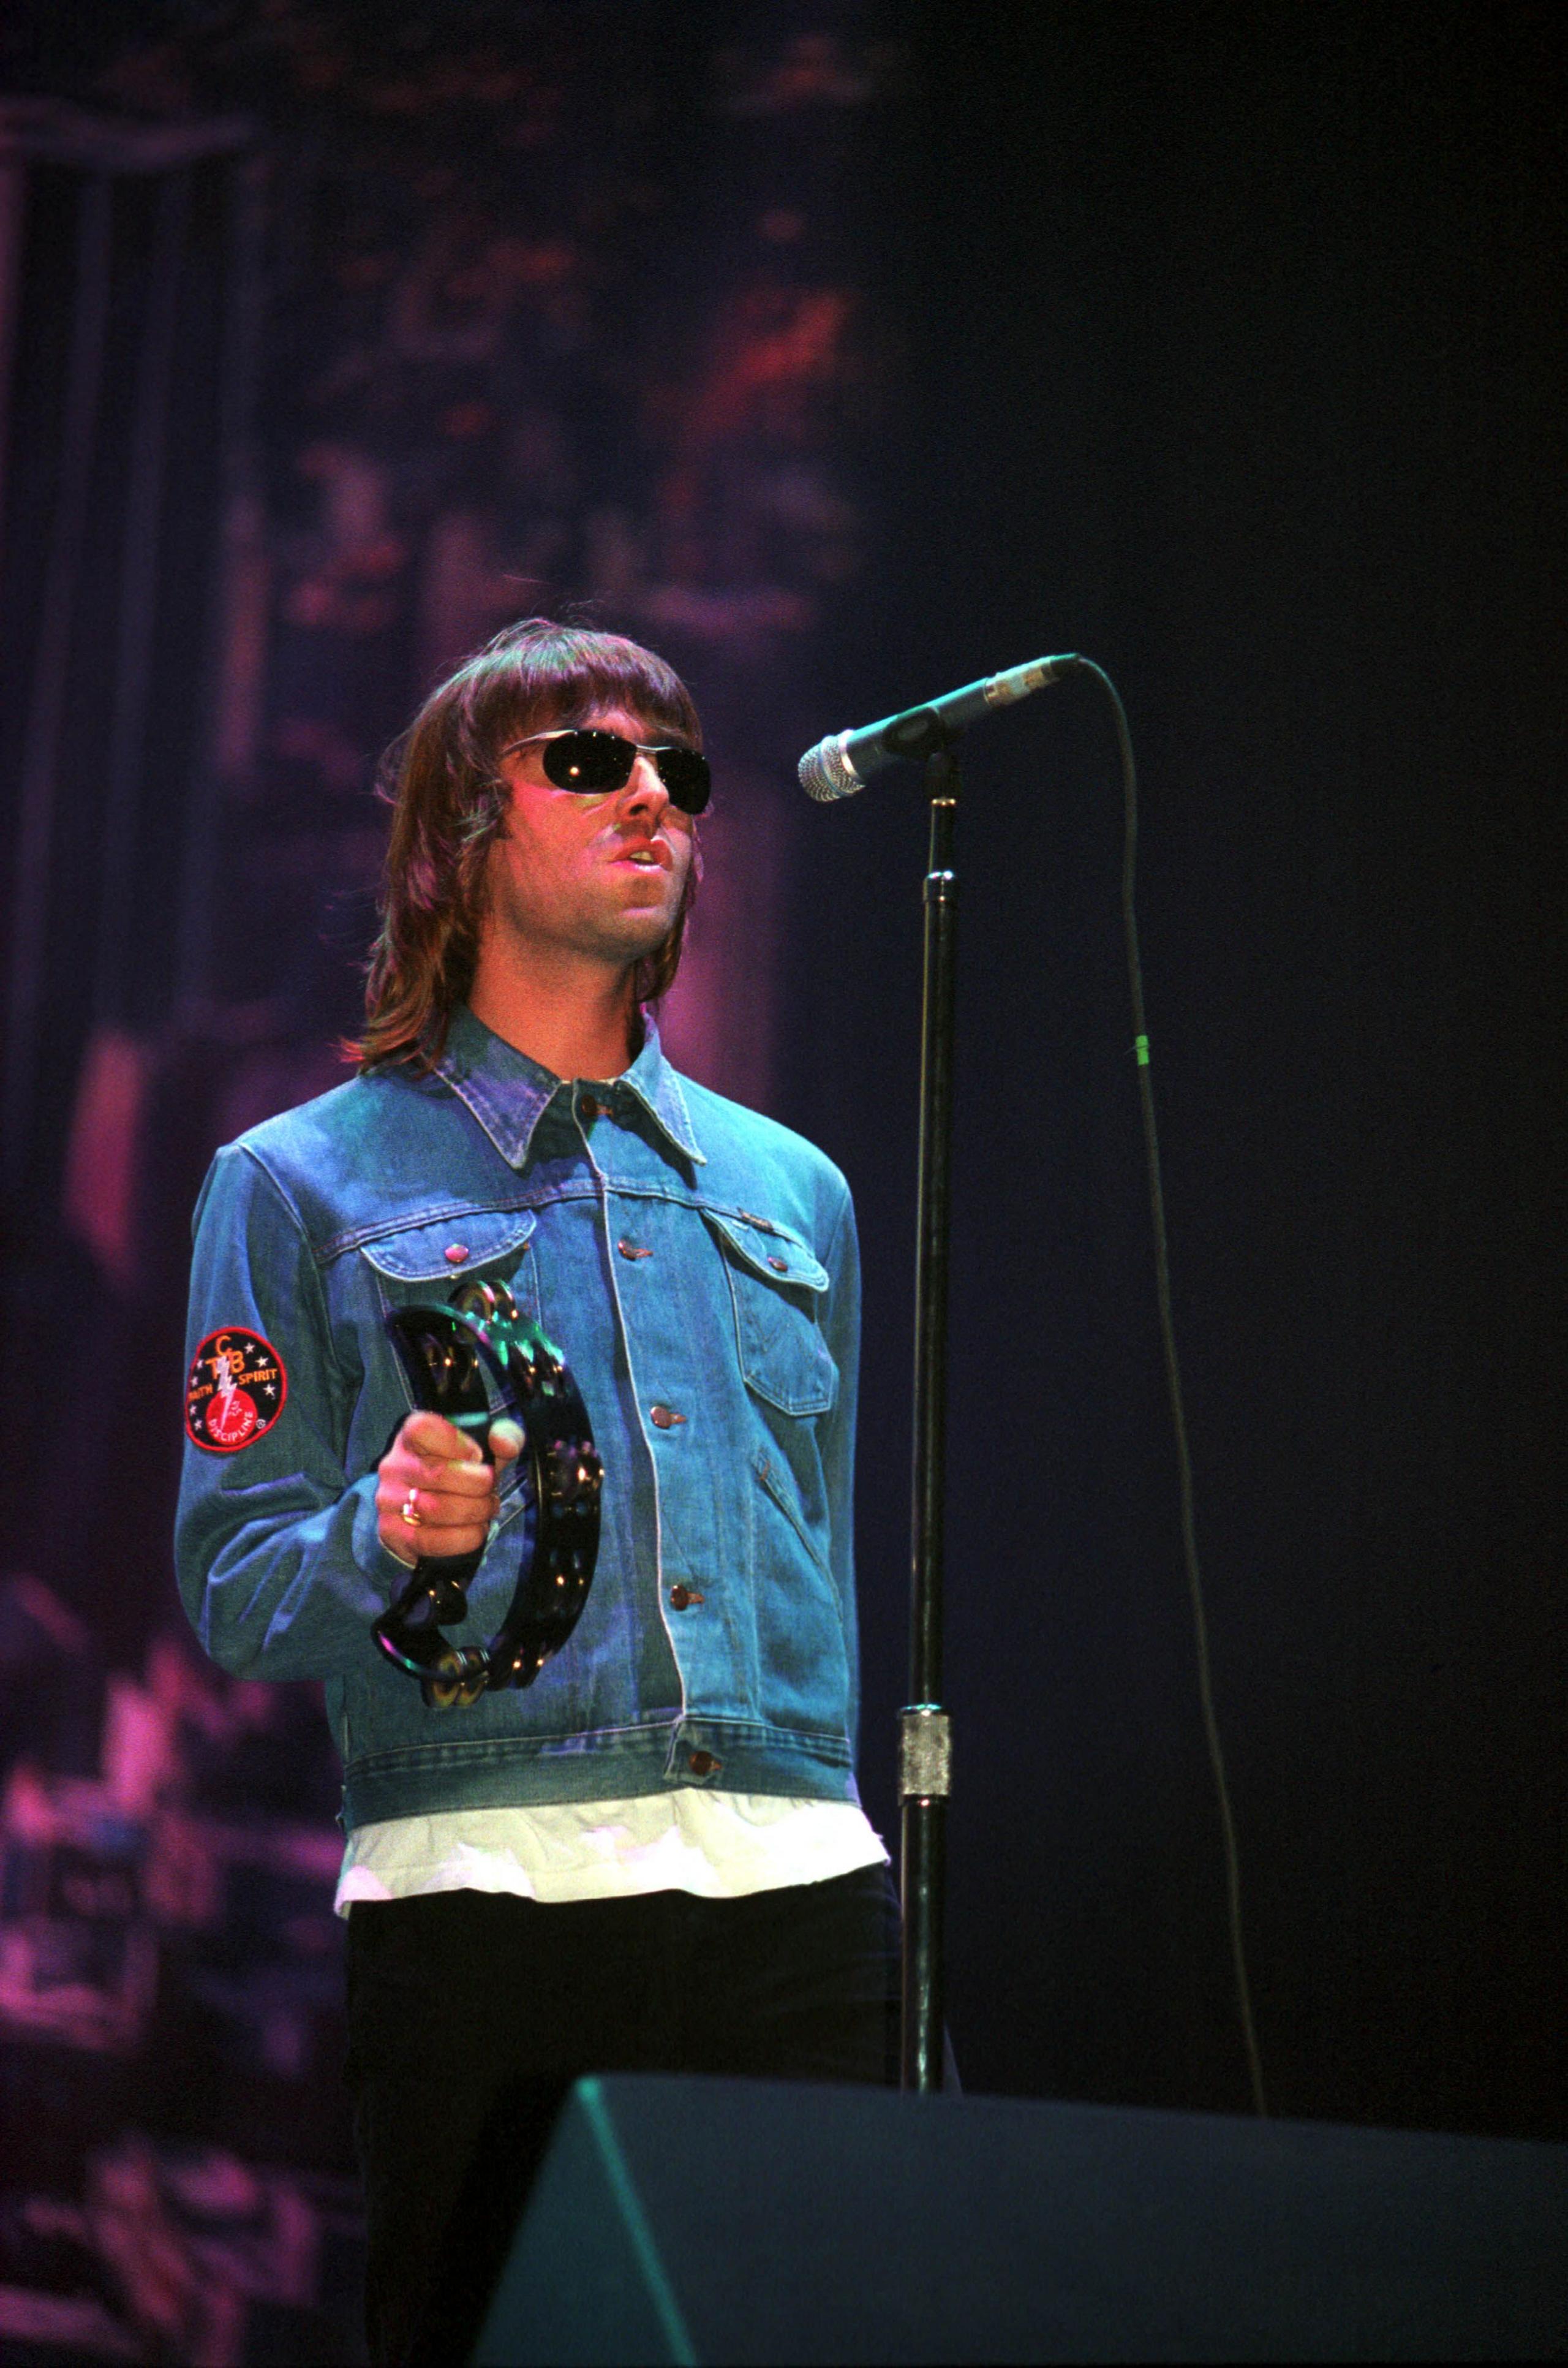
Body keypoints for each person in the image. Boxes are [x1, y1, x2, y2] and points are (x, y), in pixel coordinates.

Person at [175, 620, 897, 2364]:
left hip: (799, 1902)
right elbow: (228, 1579)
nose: (654, 795)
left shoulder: (799, 1189)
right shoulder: (290, 1184)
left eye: (678, 770)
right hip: (487, 1897)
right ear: (454, 841)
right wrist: (380, 1528)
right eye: (589, 761)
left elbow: (831, 1557)